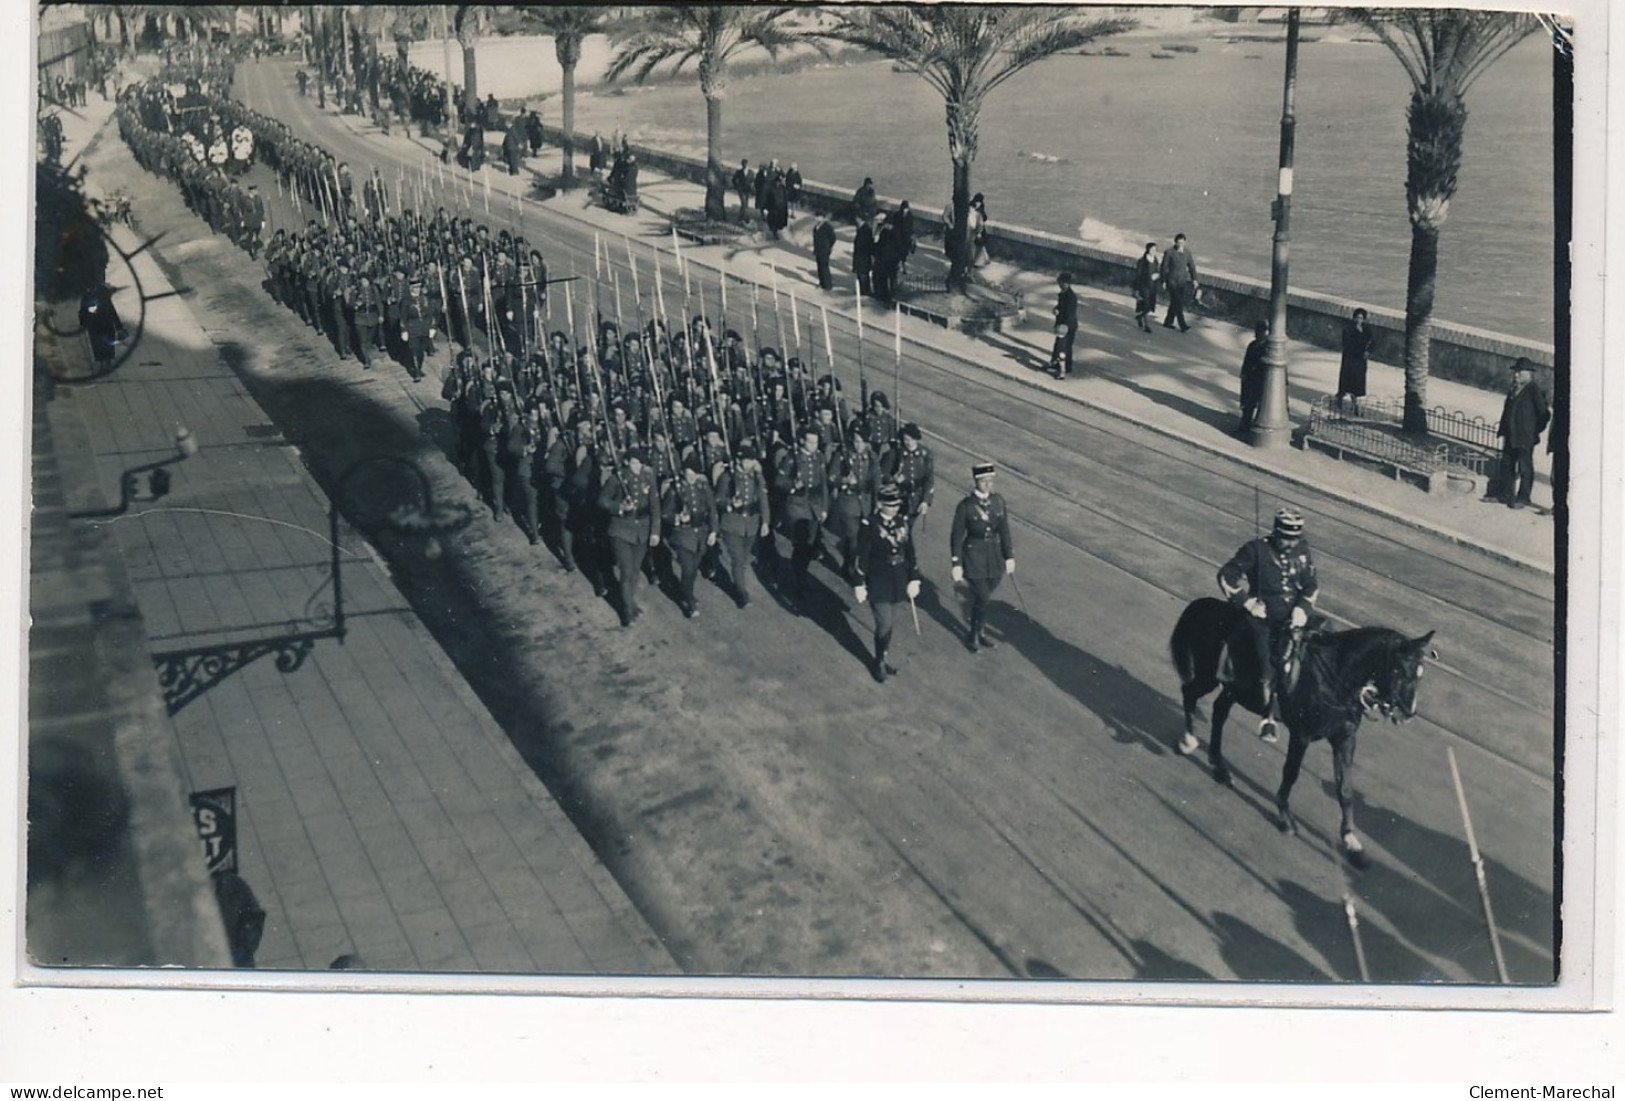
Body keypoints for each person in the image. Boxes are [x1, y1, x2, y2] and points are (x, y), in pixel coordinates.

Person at [1217, 507, 1319, 742]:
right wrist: (1247, 602)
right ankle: (1268, 717)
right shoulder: (1256, 550)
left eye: (1295, 539)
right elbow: (1226, 575)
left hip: (1293, 617)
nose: (1291, 544)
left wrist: (1303, 608)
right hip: (1263, 618)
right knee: (1267, 667)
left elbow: (1311, 584)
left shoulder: (1302, 550)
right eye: (1285, 539)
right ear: (1275, 533)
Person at [851, 484, 921, 684]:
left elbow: (910, 552)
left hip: (898, 578)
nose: (894, 508)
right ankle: (878, 662)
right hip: (878, 579)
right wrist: (859, 582)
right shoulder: (870, 524)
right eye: (890, 505)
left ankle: (882, 657)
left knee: (889, 625)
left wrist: (914, 577)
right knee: (884, 623)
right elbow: (862, 555)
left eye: (897, 504)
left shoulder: (902, 522)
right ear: (880, 504)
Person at [949, 463, 1015, 652]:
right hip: (973, 556)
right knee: (983, 597)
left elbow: (1004, 530)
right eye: (984, 481)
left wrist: (1008, 556)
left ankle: (979, 631)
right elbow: (956, 536)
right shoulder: (966, 506)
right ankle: (974, 634)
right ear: (976, 481)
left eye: (990, 481)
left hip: (993, 557)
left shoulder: (998, 502)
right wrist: (956, 563)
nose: (988, 484)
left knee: (984, 597)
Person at [599, 448, 662, 627]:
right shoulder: (617, 478)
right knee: (626, 570)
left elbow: (655, 506)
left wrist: (655, 531)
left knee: (635, 570)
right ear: (627, 462)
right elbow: (602, 500)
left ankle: (630, 602)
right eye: (633, 462)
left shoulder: (649, 478)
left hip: (642, 530)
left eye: (639, 463)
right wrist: (619, 507)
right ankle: (626, 611)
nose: (636, 466)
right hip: (620, 530)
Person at [776, 424, 830, 599]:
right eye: (810, 442)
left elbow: (823, 484)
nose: (814, 446)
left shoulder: (819, 457)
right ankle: (799, 580)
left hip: (814, 506)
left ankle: (799, 571)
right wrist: (793, 486)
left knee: (809, 545)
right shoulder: (792, 458)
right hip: (797, 507)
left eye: (816, 442)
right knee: (801, 544)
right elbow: (779, 481)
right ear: (802, 441)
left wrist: (824, 508)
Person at [715, 444, 771, 608]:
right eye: (745, 460)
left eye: (751, 460)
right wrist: (730, 504)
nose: (748, 464)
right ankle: (741, 593)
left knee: (744, 558)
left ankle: (738, 580)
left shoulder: (757, 477)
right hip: (732, 524)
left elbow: (763, 499)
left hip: (751, 524)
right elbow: (718, 499)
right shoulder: (728, 478)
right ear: (738, 461)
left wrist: (765, 521)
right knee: (738, 559)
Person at [663, 452, 719, 618]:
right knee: (687, 569)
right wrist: (678, 518)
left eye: (694, 474)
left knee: (693, 570)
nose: (691, 477)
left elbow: (712, 511)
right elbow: (665, 514)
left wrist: (714, 531)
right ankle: (689, 603)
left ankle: (686, 592)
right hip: (683, 535)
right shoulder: (675, 490)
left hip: (700, 534)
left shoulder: (703, 488)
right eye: (688, 474)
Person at [1490, 357, 1550, 510]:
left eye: (1519, 372)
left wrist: (1533, 430)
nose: (1515, 375)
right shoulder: (1514, 388)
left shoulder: (1533, 390)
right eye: (1515, 372)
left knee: (1525, 467)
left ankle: (1524, 498)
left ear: (1528, 373)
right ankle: (1504, 495)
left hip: (1525, 437)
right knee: (1507, 464)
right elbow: (1508, 410)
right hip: (1511, 435)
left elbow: (1544, 414)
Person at [1159, 232, 1198, 331]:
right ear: (1175, 242)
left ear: (1185, 242)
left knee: (1174, 302)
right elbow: (1163, 267)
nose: (1181, 245)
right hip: (1171, 281)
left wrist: (1195, 279)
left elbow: (1192, 267)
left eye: (1182, 243)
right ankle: (1183, 325)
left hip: (1182, 282)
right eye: (1179, 243)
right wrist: (1163, 280)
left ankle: (1168, 322)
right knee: (1178, 302)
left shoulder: (1187, 253)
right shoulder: (1169, 252)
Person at [1336, 308, 1373, 413]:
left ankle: (1355, 404)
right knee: (1346, 381)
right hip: (1350, 360)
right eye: (1357, 317)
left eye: (1361, 318)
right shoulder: (1348, 329)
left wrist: (1368, 352)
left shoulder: (1366, 329)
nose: (1358, 320)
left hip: (1361, 361)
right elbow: (1347, 345)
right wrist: (1359, 352)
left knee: (1358, 383)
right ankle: (1340, 399)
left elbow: (1372, 342)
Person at [78, 282, 124, 365]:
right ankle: (104, 361)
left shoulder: (98, 296)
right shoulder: (89, 296)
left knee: (104, 343)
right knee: (98, 344)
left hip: (103, 323)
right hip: (97, 324)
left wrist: (118, 326)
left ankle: (106, 360)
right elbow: (83, 311)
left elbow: (111, 311)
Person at [1238, 320, 1268, 434]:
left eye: (1259, 332)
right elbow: (1246, 360)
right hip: (1249, 379)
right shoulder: (1252, 344)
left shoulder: (1267, 347)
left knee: (1254, 403)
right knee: (1246, 403)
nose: (1256, 334)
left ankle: (1249, 424)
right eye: (1256, 331)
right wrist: (1243, 373)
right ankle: (1244, 424)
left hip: (1258, 380)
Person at [1051, 271, 1078, 380]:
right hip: (1062, 325)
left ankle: (1063, 370)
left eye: (1061, 283)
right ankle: (1057, 364)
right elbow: (1060, 306)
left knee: (1063, 348)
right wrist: (1056, 308)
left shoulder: (1071, 297)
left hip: (1067, 326)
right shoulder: (1063, 294)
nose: (1059, 285)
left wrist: (1064, 326)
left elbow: (1070, 313)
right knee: (1060, 346)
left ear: (1066, 283)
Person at [1131, 241, 1160, 332]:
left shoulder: (1155, 260)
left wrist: (1157, 276)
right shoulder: (1142, 261)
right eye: (1152, 249)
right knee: (1146, 305)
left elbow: (1157, 271)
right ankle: (1146, 326)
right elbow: (1138, 275)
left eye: (1155, 249)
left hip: (1152, 286)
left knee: (1150, 306)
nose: (1154, 251)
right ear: (1148, 250)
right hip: (1144, 286)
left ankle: (1140, 317)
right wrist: (1136, 289)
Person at [812, 213, 837, 292]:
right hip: (818, 249)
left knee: (824, 267)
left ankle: (827, 284)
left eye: (818, 217)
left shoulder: (827, 226)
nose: (817, 218)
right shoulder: (816, 226)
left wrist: (829, 246)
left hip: (824, 249)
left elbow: (833, 237)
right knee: (819, 266)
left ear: (822, 217)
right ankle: (822, 282)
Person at [852, 217, 875, 298]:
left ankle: (866, 291)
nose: (856, 220)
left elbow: (867, 243)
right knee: (860, 273)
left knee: (863, 273)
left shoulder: (866, 229)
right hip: (860, 255)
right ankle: (862, 290)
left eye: (857, 219)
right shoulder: (860, 228)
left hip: (863, 255)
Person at [967, 193, 990, 268]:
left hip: (974, 228)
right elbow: (984, 217)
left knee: (977, 245)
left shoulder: (971, 205)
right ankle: (981, 260)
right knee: (979, 244)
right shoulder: (979, 207)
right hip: (977, 228)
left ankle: (983, 259)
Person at [732, 158, 752, 224]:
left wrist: (751, 186)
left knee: (745, 204)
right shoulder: (739, 172)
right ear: (742, 164)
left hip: (747, 190)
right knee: (744, 203)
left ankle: (742, 217)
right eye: (743, 164)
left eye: (745, 164)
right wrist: (737, 186)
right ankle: (745, 218)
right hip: (741, 190)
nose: (744, 165)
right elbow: (734, 179)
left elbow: (752, 180)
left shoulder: (750, 172)